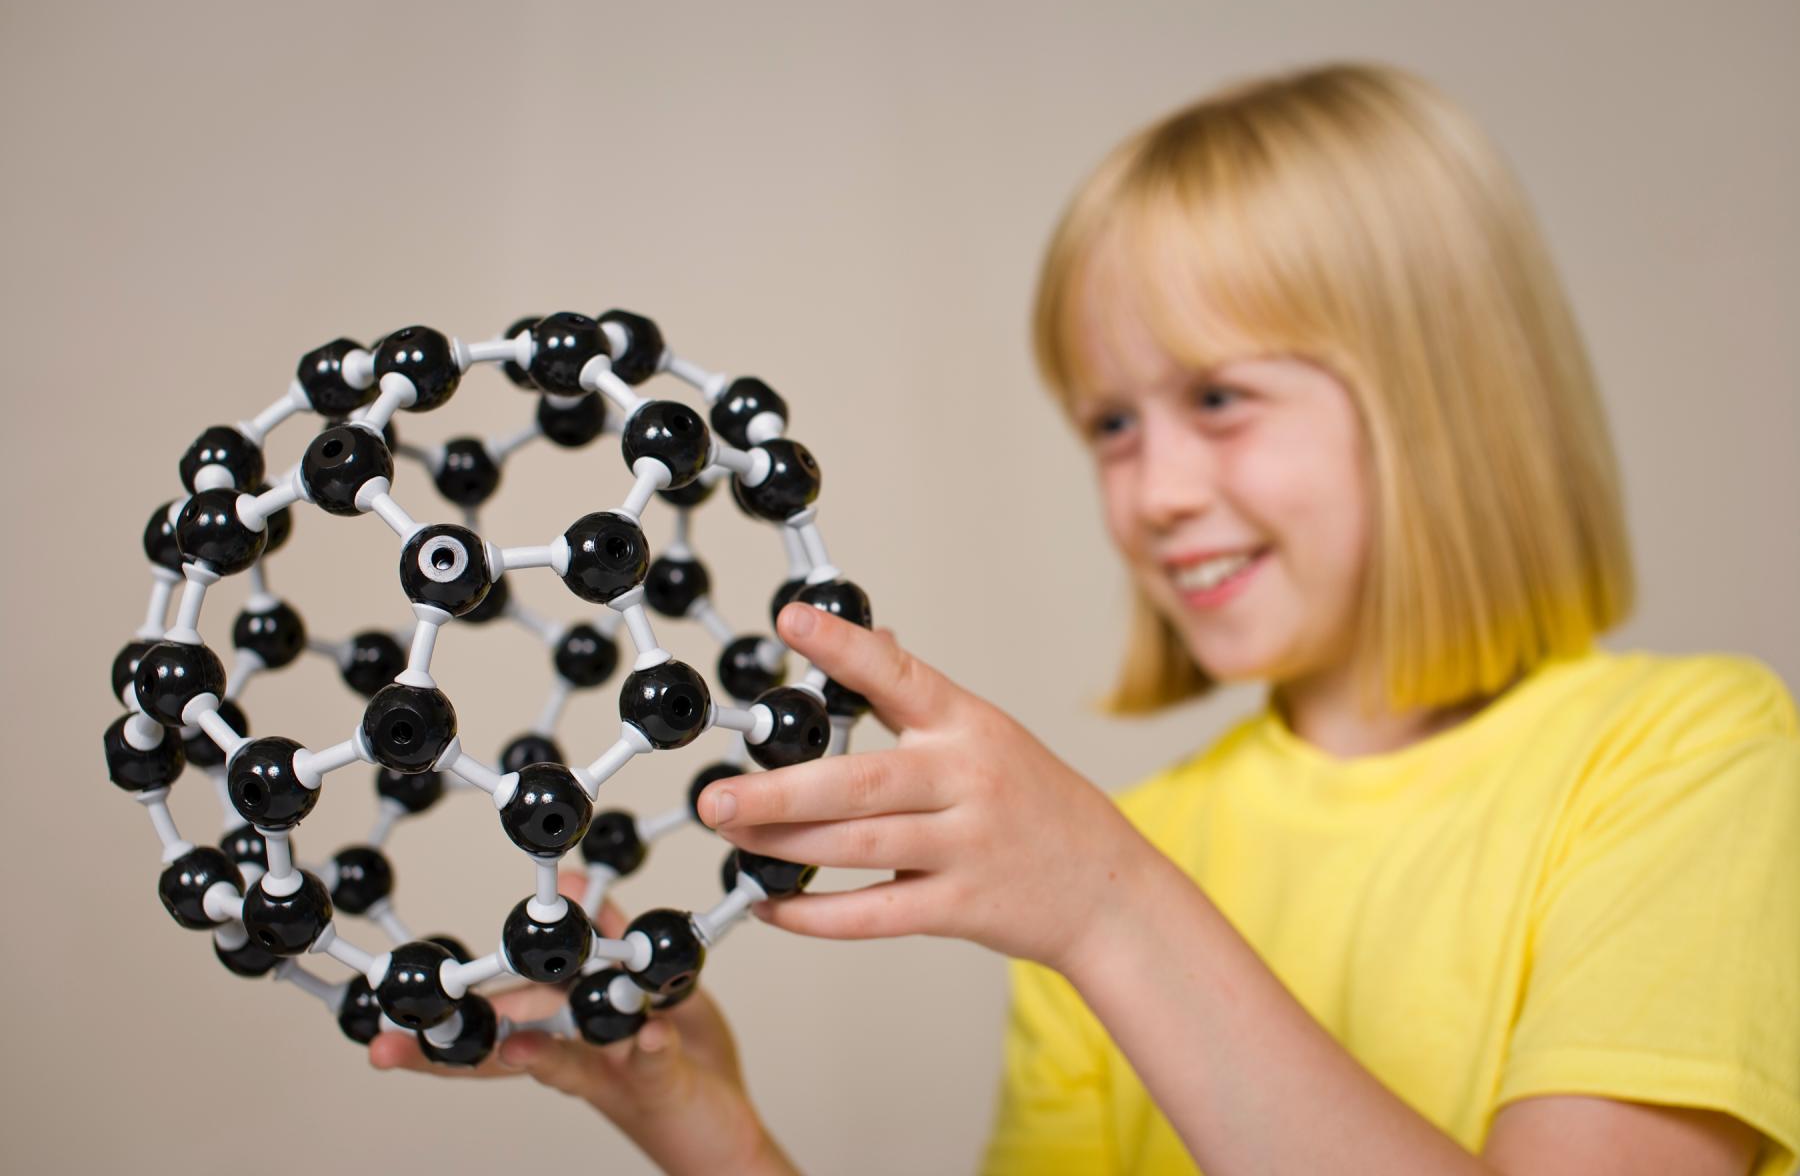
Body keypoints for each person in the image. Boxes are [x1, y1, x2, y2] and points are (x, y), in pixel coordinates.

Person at [370, 60, 1800, 1175]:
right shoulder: (1145, 846)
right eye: (1110, 422)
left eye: (1220, 399)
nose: (1155, 489)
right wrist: (702, 1123)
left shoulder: (1689, 757)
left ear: (1445, 398)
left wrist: (1112, 911)